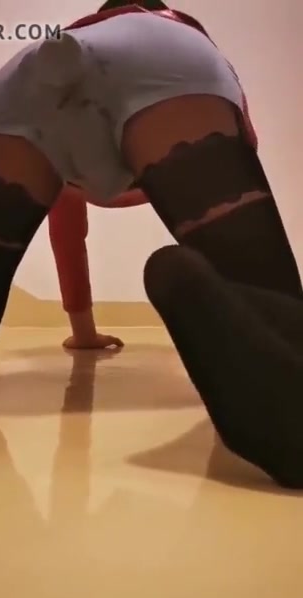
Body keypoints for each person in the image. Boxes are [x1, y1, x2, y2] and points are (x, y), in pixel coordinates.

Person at [0, 1, 301, 487]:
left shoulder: (69, 51)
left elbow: (65, 221)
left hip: (21, 84)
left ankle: (208, 310)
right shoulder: (175, 34)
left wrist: (82, 327)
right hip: (163, 62)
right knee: (276, 319)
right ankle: (269, 394)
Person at [48, 0, 259, 349]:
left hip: (86, 166)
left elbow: (65, 234)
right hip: (177, 151)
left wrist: (82, 330)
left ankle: (241, 327)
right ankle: (242, 327)